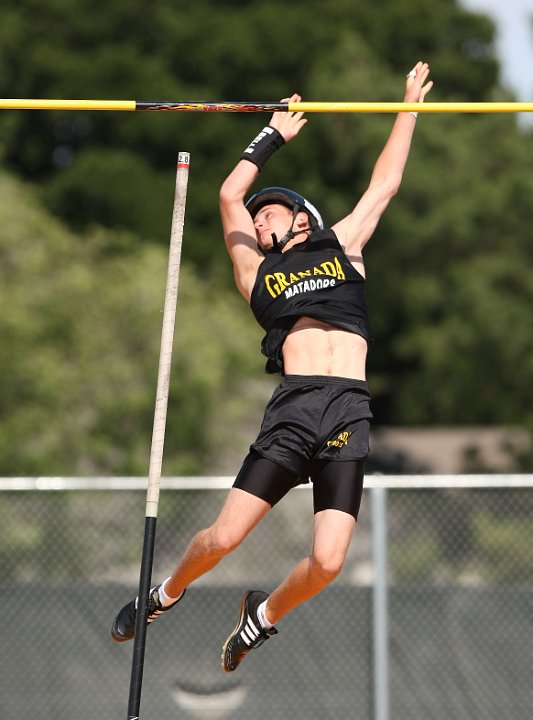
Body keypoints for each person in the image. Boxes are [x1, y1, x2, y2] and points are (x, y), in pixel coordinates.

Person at [111, 61, 433, 672]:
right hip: (296, 408)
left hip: (348, 408)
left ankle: (260, 618)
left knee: (330, 562)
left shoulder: (343, 246)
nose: (259, 219)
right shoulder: (257, 274)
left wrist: (408, 105)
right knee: (224, 538)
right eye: (257, 219)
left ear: (302, 217)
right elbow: (230, 194)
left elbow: (385, 183)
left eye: (272, 211)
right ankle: (164, 593)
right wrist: (272, 137)